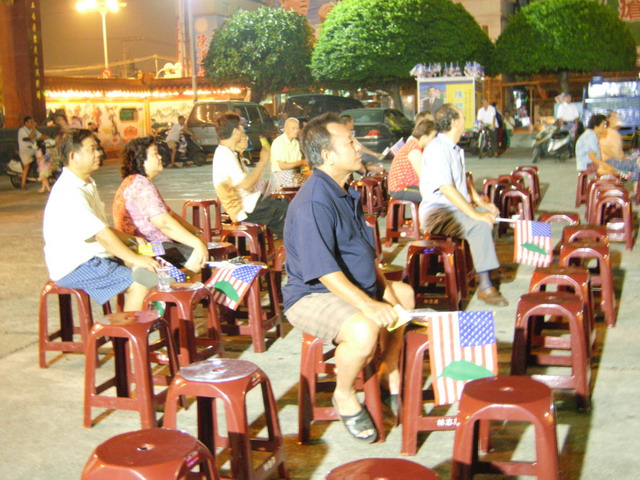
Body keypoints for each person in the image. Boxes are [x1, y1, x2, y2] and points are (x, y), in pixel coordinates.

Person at [284, 112, 415, 443]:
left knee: (404, 296)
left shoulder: (344, 191)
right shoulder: (315, 201)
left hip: (350, 286)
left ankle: (387, 372)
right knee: (364, 328)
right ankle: (343, 394)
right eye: (350, 142)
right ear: (328, 155)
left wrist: (385, 293)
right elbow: (325, 272)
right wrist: (369, 305)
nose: (358, 147)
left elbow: (365, 258)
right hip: (313, 295)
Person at [42, 129, 158, 312]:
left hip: (94, 257)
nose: (99, 153)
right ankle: (129, 329)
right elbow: (102, 234)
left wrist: (133, 241)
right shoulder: (69, 191)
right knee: (142, 281)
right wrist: (135, 257)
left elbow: (104, 228)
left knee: (151, 266)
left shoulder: (86, 184)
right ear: (73, 156)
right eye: (92, 149)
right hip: (77, 265)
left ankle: (146, 321)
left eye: (97, 148)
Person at [420, 104, 508, 306]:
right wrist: (476, 214)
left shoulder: (453, 148)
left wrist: (481, 203)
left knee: (491, 217)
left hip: (454, 208)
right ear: (453, 122)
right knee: (479, 225)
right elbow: (447, 188)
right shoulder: (437, 149)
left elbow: (462, 181)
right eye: (462, 116)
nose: (465, 120)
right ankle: (485, 286)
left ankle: (485, 268)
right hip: (437, 213)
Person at [113, 136, 209, 274]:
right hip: (146, 247)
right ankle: (175, 284)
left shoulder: (136, 181)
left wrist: (196, 233)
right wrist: (197, 244)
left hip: (151, 245)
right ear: (141, 159)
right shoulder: (140, 185)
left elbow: (170, 215)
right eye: (155, 154)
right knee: (198, 258)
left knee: (194, 248)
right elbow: (164, 223)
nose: (160, 157)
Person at [212, 113, 288, 237]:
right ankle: (296, 244)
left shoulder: (228, 152)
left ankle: (293, 242)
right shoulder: (224, 155)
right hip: (244, 208)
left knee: (285, 209)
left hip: (249, 203)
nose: (243, 130)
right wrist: (262, 161)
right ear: (235, 131)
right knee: (287, 210)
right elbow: (246, 184)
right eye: (240, 126)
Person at [387, 119, 436, 202]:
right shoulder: (414, 150)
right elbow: (424, 177)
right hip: (401, 188)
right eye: (433, 137)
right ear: (424, 137)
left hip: (407, 186)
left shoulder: (414, 145)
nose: (434, 140)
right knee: (435, 196)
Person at [599, 110, 640, 181]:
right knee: (636, 165)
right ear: (609, 120)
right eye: (615, 117)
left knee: (634, 155)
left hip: (605, 161)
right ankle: (635, 184)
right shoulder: (613, 133)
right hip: (610, 162)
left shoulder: (605, 131)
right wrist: (626, 158)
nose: (618, 119)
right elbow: (617, 155)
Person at [270, 117, 309, 189]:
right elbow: (282, 166)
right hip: (281, 174)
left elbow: (299, 164)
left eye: (297, 128)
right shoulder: (279, 142)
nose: (296, 131)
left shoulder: (296, 143)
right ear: (286, 129)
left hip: (294, 173)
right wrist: (302, 162)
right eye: (293, 128)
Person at [18, 116, 47, 190]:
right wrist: (34, 128)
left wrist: (52, 140)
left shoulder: (33, 130)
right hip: (25, 151)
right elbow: (30, 137)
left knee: (43, 159)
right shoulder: (22, 130)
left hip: (34, 150)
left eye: (32, 122)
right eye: (31, 122)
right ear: (26, 123)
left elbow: (41, 136)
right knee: (27, 166)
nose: (32, 123)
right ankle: (23, 184)